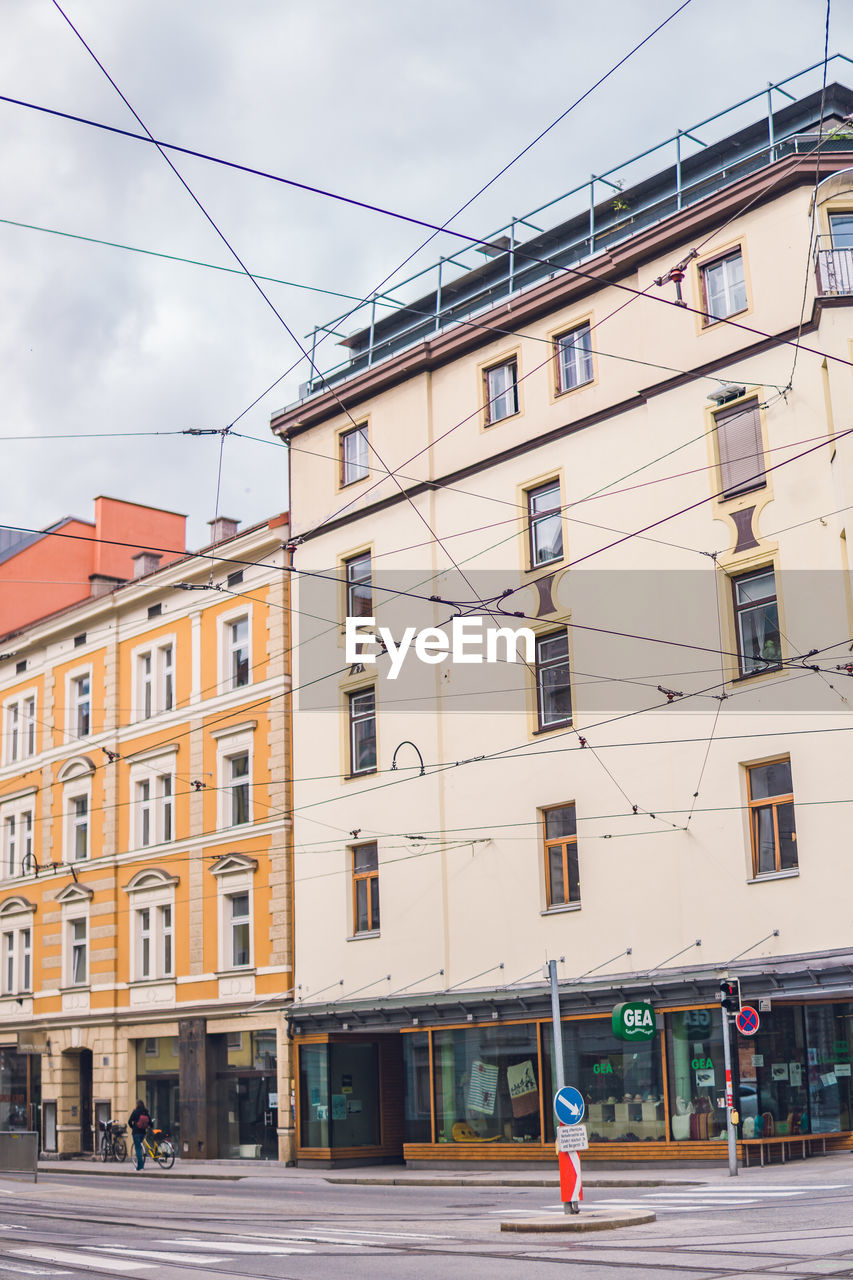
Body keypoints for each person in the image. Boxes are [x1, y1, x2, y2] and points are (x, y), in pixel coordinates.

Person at [128, 1099, 151, 1171]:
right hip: (143, 1132)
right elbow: (150, 1121)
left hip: (136, 1132)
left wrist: (133, 1127)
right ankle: (141, 1164)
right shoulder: (146, 1111)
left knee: (138, 1149)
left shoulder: (135, 1111)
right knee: (140, 1148)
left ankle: (140, 1167)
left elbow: (129, 1121)